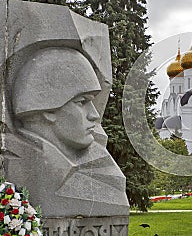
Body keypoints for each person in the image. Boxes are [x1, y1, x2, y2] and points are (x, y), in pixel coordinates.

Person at [8, 47, 129, 218]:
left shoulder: (102, 165)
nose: (94, 115)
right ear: (47, 109)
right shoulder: (14, 160)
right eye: (82, 102)